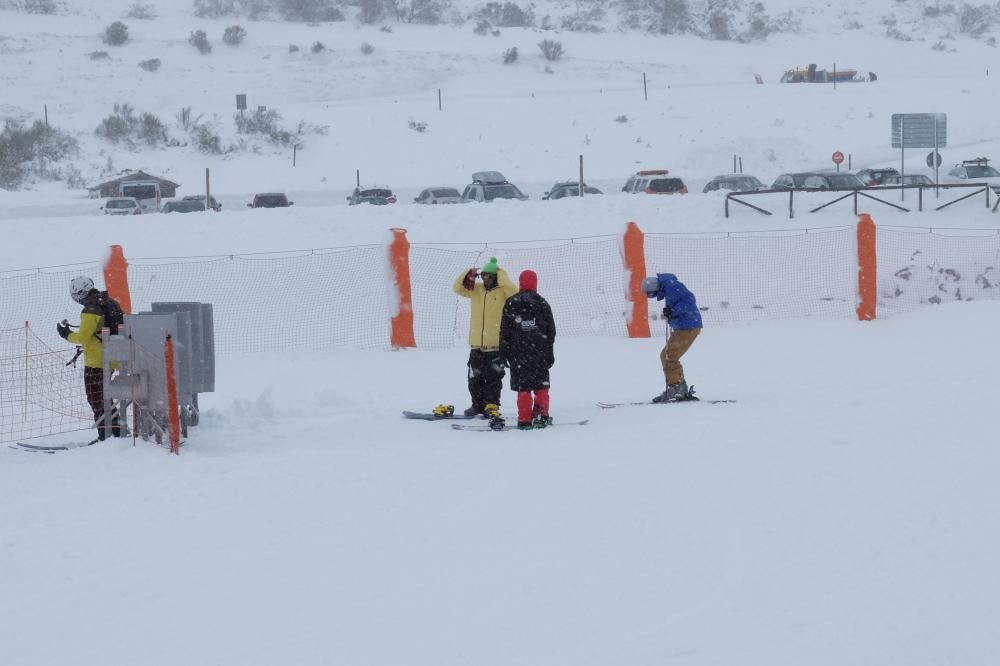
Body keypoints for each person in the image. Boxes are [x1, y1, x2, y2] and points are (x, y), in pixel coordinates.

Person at [453, 257, 518, 419]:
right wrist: (468, 273)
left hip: (496, 346)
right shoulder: (477, 290)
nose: (486, 279)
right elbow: (457, 288)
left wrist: (501, 273)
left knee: (494, 379)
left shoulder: (503, 292)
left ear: (495, 277)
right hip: (477, 345)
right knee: (474, 378)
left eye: (489, 276)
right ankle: (477, 405)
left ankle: (491, 406)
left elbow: (513, 292)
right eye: (483, 276)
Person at [57, 276, 121, 440]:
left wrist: (67, 335)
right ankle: (114, 431)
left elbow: (84, 337)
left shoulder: (91, 309)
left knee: (96, 397)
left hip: (96, 361)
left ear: (80, 293)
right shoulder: (110, 302)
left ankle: (106, 434)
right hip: (113, 356)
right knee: (104, 396)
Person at [499, 269, 556, 430]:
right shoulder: (542, 303)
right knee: (541, 385)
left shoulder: (511, 302)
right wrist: (549, 352)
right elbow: (551, 331)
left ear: (520, 283)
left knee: (523, 388)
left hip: (518, 355)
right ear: (535, 283)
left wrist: (504, 352)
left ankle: (524, 419)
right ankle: (541, 415)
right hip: (540, 354)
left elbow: (505, 331)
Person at [642, 273, 703, 402]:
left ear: (655, 288)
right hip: (683, 326)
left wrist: (673, 311)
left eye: (650, 294)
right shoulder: (669, 287)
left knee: (670, 356)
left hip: (688, 326)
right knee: (666, 355)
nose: (650, 297)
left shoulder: (672, 287)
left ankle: (677, 390)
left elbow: (689, 300)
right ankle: (676, 387)